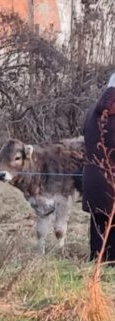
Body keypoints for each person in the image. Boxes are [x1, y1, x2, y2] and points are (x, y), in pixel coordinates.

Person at [83, 72, 115, 263]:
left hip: (93, 175)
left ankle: (96, 266)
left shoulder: (91, 113)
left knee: (98, 225)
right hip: (112, 179)